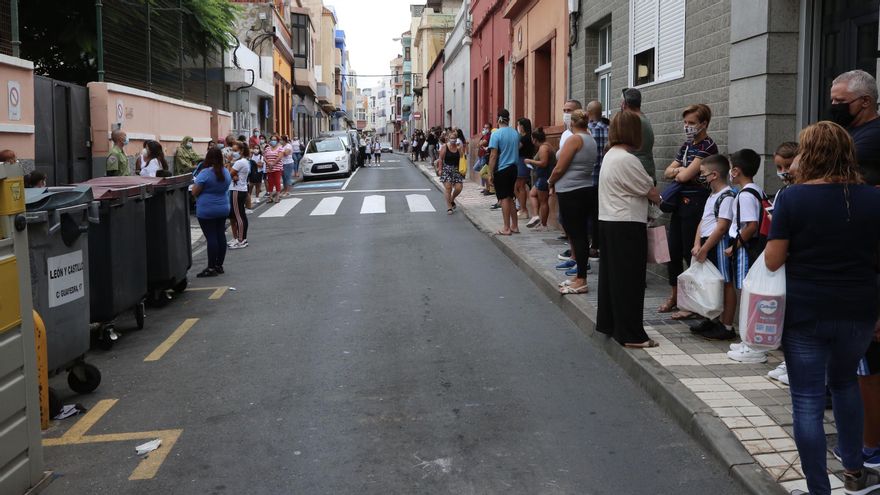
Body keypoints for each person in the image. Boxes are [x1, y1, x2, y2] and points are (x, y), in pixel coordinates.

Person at [764, 121, 880, 495]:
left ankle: (818, 490)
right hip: (860, 311)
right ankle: (855, 475)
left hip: (806, 312)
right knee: (846, 384)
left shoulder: (794, 198)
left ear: (807, 154)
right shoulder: (873, 198)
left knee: (808, 400)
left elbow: (772, 261)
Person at [831, 69, 880, 473]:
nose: (833, 107)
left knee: (868, 363)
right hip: (862, 264)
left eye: (839, 101)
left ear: (863, 102)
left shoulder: (867, 142)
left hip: (869, 268)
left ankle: (870, 445)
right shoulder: (857, 139)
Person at [596, 110, 661, 347]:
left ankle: (611, 324)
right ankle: (631, 334)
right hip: (626, 224)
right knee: (630, 280)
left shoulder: (610, 155)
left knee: (612, 278)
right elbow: (650, 190)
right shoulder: (627, 159)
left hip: (609, 221)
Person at [660, 104, 718, 319]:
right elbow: (669, 172)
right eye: (685, 123)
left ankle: (693, 301)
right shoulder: (686, 146)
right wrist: (681, 171)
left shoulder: (707, 146)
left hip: (695, 204)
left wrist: (681, 172)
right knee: (672, 252)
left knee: (689, 252)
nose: (687, 127)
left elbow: (683, 177)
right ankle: (674, 296)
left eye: (691, 123)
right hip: (680, 204)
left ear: (704, 123)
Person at [724, 149, 769, 362]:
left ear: (736, 170)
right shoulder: (757, 190)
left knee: (747, 295)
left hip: (745, 250)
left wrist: (735, 246)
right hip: (750, 248)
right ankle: (748, 340)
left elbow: (750, 225)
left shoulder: (745, 194)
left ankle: (751, 344)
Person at [688, 154, 737, 340]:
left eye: (703, 173)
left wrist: (706, 247)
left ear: (714, 174)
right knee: (710, 283)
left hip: (718, 244)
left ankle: (726, 326)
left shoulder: (727, 196)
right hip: (707, 243)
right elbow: (704, 220)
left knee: (725, 282)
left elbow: (722, 226)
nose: (701, 176)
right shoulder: (712, 194)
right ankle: (712, 319)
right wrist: (697, 243)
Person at [549, 110, 597, 294]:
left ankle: (582, 279)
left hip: (571, 191)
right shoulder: (590, 138)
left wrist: (550, 180)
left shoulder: (575, 139)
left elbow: (560, 167)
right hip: (583, 188)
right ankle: (579, 276)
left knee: (577, 234)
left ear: (573, 123)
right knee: (579, 234)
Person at [192, 148, 232, 278]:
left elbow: (194, 191)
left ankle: (210, 267)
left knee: (211, 237)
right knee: (220, 235)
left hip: (207, 209)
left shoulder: (205, 173)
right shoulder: (225, 172)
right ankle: (219, 265)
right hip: (223, 207)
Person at [487, 109, 521, 236]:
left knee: (504, 198)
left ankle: (506, 227)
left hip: (502, 169)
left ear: (499, 119)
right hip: (514, 168)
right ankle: (515, 226)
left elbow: (493, 155)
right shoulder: (515, 133)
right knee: (510, 196)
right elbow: (519, 146)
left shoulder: (496, 134)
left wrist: (490, 173)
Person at [586, 100, 609, 258]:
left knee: (592, 214)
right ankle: (602, 244)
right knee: (603, 213)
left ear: (588, 113)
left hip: (590, 178)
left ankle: (594, 245)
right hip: (605, 178)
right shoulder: (609, 129)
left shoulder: (587, 131)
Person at [621, 88, 656, 181]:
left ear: (624, 104)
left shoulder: (631, 121)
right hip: (646, 172)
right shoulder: (643, 118)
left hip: (636, 176)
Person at [524, 127, 555, 231]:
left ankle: (544, 224)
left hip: (544, 177)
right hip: (541, 177)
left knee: (543, 201)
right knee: (532, 194)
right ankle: (536, 216)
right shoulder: (545, 146)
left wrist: (530, 161)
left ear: (534, 139)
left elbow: (543, 163)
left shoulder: (544, 148)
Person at [228, 141, 251, 250]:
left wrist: (228, 163)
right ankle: (240, 239)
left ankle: (241, 240)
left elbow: (229, 175)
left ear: (241, 151)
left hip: (237, 190)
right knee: (240, 215)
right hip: (240, 189)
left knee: (239, 216)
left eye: (235, 150)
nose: (233, 153)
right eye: (232, 150)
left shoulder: (239, 162)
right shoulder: (244, 161)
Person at [438, 129, 465, 214]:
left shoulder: (458, 147)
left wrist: (460, 149)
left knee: (459, 188)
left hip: (456, 170)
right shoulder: (445, 147)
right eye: (451, 138)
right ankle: (449, 207)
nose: (453, 140)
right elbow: (441, 159)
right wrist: (440, 169)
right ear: (449, 138)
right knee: (448, 188)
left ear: (457, 138)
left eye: (455, 138)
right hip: (447, 169)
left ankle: (452, 199)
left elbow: (462, 158)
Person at [515, 118, 535, 221]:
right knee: (518, 186)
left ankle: (524, 209)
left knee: (520, 186)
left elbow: (516, 148)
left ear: (522, 126)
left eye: (518, 125)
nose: (517, 127)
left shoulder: (525, 138)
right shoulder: (525, 137)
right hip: (521, 161)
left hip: (523, 162)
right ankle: (522, 208)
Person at [263, 134, 284, 203]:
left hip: (277, 168)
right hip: (269, 168)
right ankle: (270, 197)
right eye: (272, 140)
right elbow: (264, 157)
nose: (273, 141)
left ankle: (277, 196)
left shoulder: (280, 148)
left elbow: (280, 157)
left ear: (277, 141)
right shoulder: (267, 148)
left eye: (275, 140)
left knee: (277, 182)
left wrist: (273, 163)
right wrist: (268, 163)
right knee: (270, 182)